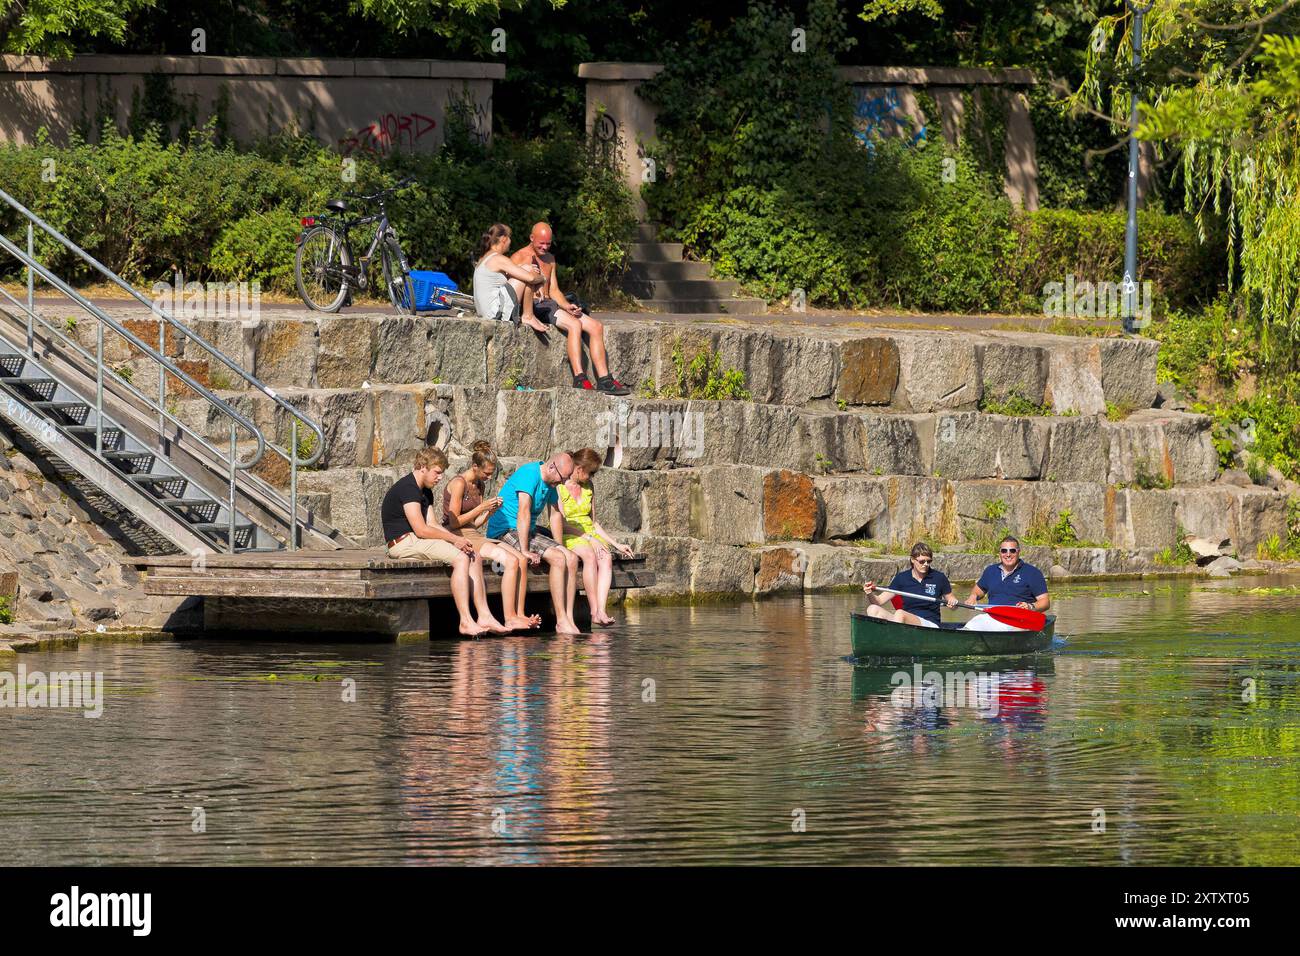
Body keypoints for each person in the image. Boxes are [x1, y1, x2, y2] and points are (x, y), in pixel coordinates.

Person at [380, 446, 510, 637]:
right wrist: (453, 540)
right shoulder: (408, 489)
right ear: (423, 467)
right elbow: (421, 529)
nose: (440, 477)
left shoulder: (425, 491)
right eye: (437, 472)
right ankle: (465, 621)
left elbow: (432, 523)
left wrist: (458, 539)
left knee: (472, 553)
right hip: (403, 542)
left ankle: (484, 616)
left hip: (416, 540)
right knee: (461, 559)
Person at [510, 221, 631, 395]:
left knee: (596, 327)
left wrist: (567, 306)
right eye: (541, 243)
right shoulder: (519, 256)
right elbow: (511, 287)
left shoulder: (550, 259)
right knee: (575, 325)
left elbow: (554, 290)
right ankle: (579, 378)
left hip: (551, 303)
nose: (544, 247)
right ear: (531, 238)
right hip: (536, 305)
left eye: (548, 243)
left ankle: (605, 379)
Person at [443, 440, 542, 632]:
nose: (489, 477)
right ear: (474, 466)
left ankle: (519, 614)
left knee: (520, 558)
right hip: (457, 535)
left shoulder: (479, 484)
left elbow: (474, 523)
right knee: (510, 561)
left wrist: (490, 512)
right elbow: (455, 522)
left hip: (474, 533)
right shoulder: (458, 483)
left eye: (491, 473)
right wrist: (481, 507)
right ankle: (509, 618)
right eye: (486, 472)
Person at [485, 452, 583, 635]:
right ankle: (560, 620)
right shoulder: (529, 474)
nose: (562, 483)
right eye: (562, 478)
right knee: (558, 559)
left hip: (527, 530)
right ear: (552, 466)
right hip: (506, 529)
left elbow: (555, 515)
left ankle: (569, 618)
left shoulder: (551, 482)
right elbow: (523, 512)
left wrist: (559, 545)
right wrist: (525, 550)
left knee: (570, 557)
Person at [558, 447, 635, 626]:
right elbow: (561, 522)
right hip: (570, 532)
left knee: (605, 557)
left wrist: (616, 544)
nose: (592, 477)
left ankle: (601, 610)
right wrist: (588, 538)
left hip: (589, 532)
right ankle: (593, 611)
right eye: (591, 473)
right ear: (579, 469)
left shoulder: (588, 487)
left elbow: (594, 522)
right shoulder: (560, 486)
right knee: (589, 556)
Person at [963, 535, 1050, 631]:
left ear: (1018, 552)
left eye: (1012, 551)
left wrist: (1030, 606)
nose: (1008, 554)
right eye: (1004, 551)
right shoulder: (990, 571)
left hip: (1019, 620)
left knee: (1010, 630)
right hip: (993, 617)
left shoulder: (1032, 573)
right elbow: (978, 590)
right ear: (999, 553)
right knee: (973, 623)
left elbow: (1045, 602)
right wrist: (973, 596)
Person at [861, 542, 956, 628]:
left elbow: (952, 601)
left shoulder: (939, 578)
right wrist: (869, 593)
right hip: (905, 622)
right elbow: (879, 601)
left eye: (929, 561)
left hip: (930, 624)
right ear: (913, 560)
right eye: (922, 561)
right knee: (873, 609)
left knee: (900, 614)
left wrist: (953, 603)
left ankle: (895, 640)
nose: (926, 564)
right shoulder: (901, 578)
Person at [472, 223, 546, 324]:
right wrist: (542, 279)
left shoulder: (485, 257)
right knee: (528, 273)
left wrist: (526, 268)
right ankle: (528, 316)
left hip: (486, 312)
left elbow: (512, 273)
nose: (510, 241)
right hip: (495, 313)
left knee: (526, 268)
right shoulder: (498, 258)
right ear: (504, 239)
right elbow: (531, 278)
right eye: (509, 237)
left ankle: (528, 315)